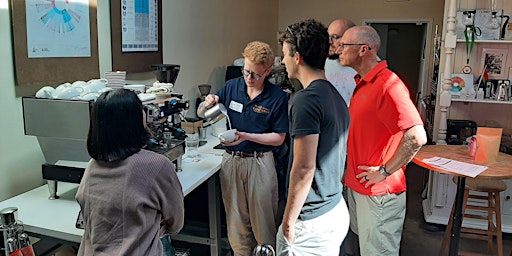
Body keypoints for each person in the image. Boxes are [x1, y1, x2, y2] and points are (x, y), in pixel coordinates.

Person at [336, 26, 427, 255]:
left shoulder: (388, 84)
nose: (338, 49)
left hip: (379, 192)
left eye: (344, 45)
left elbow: (416, 136)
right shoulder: (364, 82)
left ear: (363, 50)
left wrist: (384, 171)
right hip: (359, 186)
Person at [197, 41, 289, 255]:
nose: (249, 78)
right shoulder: (232, 87)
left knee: (263, 222)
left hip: (260, 162)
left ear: (267, 72)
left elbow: (279, 137)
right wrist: (206, 103)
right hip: (232, 160)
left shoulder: (277, 97)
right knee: (236, 222)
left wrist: (246, 136)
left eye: (256, 74)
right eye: (246, 71)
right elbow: (202, 113)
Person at [76, 89, 184, 256]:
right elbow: (176, 223)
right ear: (135, 120)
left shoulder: (93, 165)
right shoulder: (157, 165)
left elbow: (88, 216)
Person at [276, 18, 350, 255]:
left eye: (285, 54)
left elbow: (304, 168)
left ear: (297, 57)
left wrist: (288, 222)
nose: (283, 61)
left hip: (311, 221)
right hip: (334, 207)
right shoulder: (333, 95)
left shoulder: (306, 100)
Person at [325, 19, 357, 106]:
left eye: (335, 37)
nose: (329, 42)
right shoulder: (321, 63)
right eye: (328, 36)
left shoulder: (365, 64)